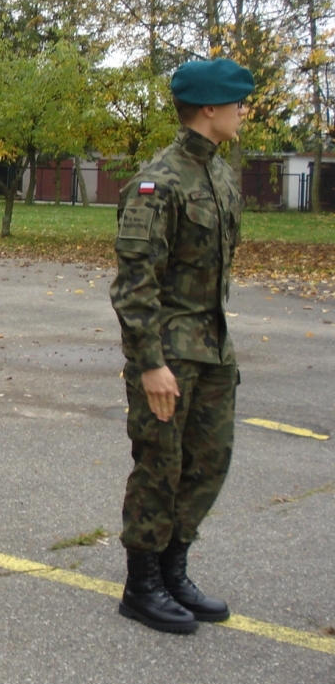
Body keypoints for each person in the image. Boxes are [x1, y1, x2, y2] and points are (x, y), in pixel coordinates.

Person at [110, 57, 252, 635]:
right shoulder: (159, 183)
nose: (243, 111)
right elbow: (134, 283)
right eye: (236, 102)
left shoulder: (219, 174)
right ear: (209, 108)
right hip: (168, 352)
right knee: (159, 467)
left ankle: (174, 567)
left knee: (208, 463)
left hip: (213, 350)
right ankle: (142, 583)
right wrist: (149, 363)